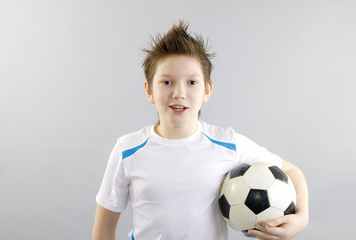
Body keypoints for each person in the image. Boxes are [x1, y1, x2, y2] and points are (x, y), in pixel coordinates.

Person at [92, 20, 309, 240]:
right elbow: (103, 231)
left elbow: (293, 172)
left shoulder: (228, 144)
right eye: (167, 82)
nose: (179, 93)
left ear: (207, 90)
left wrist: (301, 219)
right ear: (149, 91)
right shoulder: (127, 149)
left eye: (192, 82)